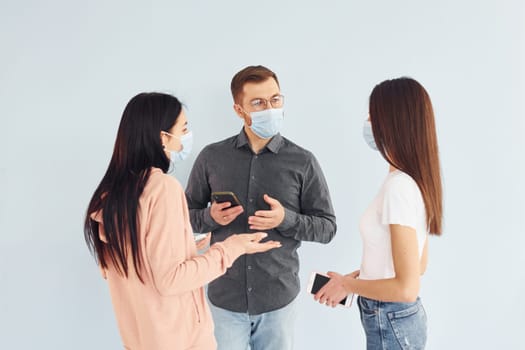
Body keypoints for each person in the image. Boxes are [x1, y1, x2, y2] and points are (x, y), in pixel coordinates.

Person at [83, 92, 281, 350]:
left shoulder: (112, 195)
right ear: (163, 137)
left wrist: (186, 245)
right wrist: (232, 248)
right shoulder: (162, 188)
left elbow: (139, 264)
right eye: (184, 128)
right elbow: (171, 279)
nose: (187, 137)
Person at [185, 65, 337, 350]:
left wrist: (286, 219)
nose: (270, 108)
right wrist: (210, 217)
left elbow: (328, 228)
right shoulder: (211, 157)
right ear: (239, 110)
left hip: (278, 301)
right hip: (224, 298)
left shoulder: (303, 161)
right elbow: (182, 220)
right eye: (258, 103)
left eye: (275, 100)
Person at [314, 77, 443, 350]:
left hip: (391, 318)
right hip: (394, 319)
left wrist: (348, 285)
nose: (368, 123)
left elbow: (407, 288)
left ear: (393, 122)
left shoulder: (399, 187)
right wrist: (353, 280)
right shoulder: (409, 182)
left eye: (373, 115)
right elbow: (417, 265)